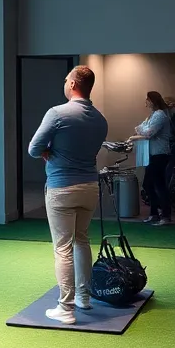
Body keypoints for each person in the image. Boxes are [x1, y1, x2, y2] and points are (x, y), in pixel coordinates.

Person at [27, 65, 109, 325]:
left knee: (62, 248)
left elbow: (33, 148)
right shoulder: (100, 119)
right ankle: (84, 297)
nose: (64, 83)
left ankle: (66, 307)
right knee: (82, 240)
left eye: (66, 80)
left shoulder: (57, 113)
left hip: (62, 187)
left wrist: (48, 151)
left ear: (73, 84)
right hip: (89, 187)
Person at [131, 91, 173, 225]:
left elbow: (148, 132)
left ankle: (165, 215)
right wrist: (140, 129)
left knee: (158, 185)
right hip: (153, 154)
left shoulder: (160, 115)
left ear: (152, 101)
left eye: (147, 99)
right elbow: (144, 128)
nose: (146, 102)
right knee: (149, 184)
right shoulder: (153, 115)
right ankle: (154, 213)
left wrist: (138, 129)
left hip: (160, 154)